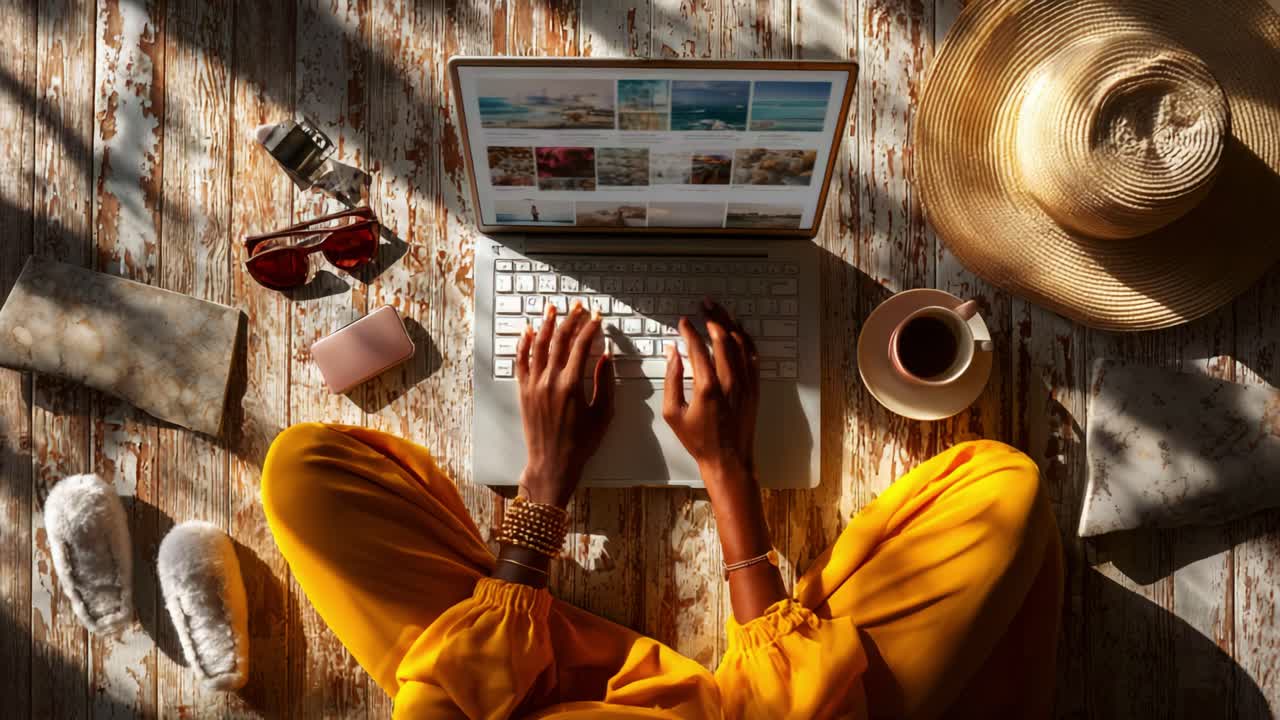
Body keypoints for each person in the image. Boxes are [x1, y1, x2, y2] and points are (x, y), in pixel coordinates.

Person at [262, 300, 1063, 719]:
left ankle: (523, 615)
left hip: (529, 693)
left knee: (301, 472)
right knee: (1007, 493)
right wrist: (727, 470)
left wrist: (544, 484)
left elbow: (443, 702)